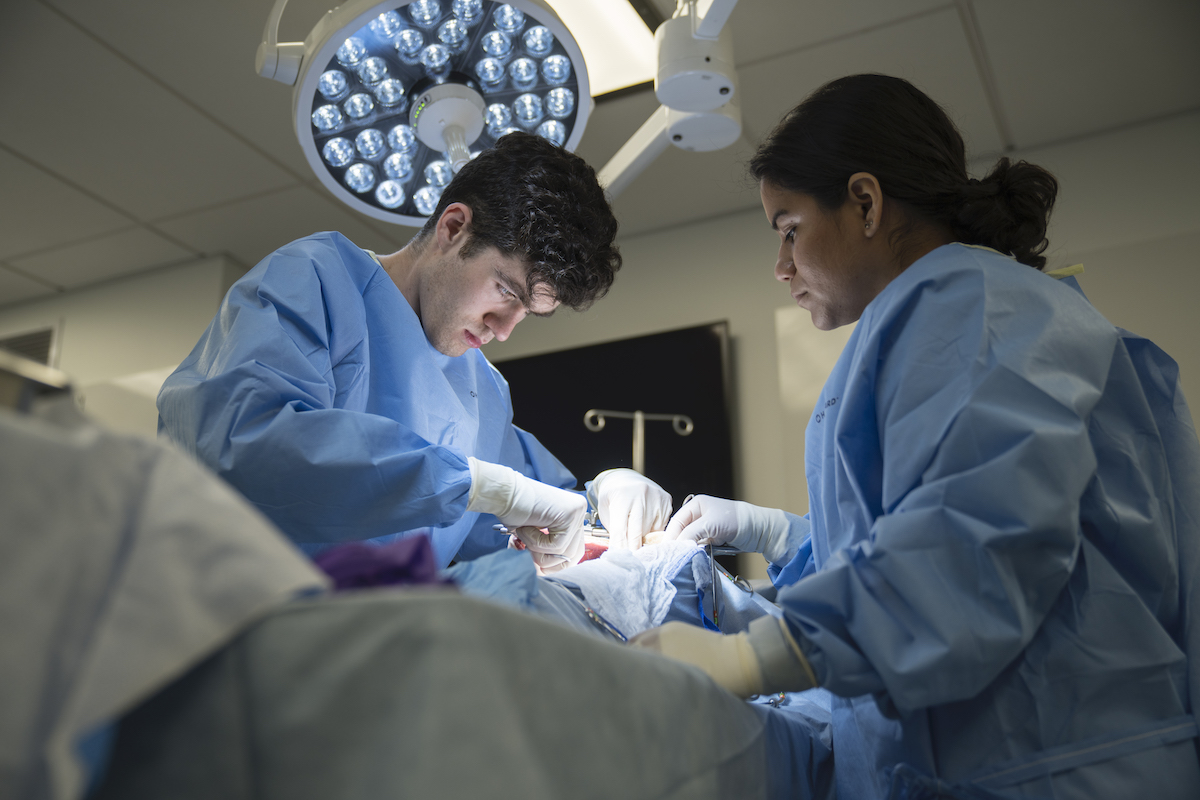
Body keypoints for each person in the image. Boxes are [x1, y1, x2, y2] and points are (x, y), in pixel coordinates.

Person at [633, 74, 1200, 799]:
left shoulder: (974, 306)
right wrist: (775, 534)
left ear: (865, 202)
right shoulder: (949, 316)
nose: (781, 268)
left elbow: (972, 545)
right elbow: (912, 533)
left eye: (788, 230)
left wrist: (755, 659)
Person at [158, 132, 671, 571]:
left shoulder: (482, 394)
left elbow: (531, 516)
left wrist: (608, 501)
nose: (505, 330)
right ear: (453, 228)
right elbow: (245, 445)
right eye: (507, 293)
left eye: (527, 314)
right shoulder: (314, 282)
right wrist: (469, 486)